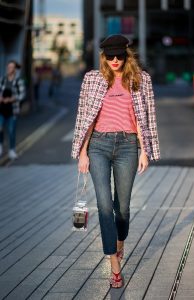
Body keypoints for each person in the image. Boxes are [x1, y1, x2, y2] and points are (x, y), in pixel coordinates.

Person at [71, 34, 160, 288]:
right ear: (103, 57)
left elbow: (146, 117)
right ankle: (114, 263)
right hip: (98, 145)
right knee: (103, 205)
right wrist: (83, 152)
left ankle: (120, 242)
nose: (114, 60)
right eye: (109, 56)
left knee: (122, 208)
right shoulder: (92, 79)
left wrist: (145, 151)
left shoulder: (140, 80)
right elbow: (84, 116)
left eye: (118, 56)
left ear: (126, 55)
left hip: (128, 146)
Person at [0, 60, 26, 159]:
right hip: (1, 109)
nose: (9, 69)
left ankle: (12, 150)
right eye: (8, 67)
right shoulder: (2, 80)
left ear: (15, 69)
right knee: (0, 128)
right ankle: (0, 146)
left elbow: (22, 95)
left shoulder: (18, 81)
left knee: (11, 131)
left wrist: (12, 99)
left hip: (12, 110)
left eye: (11, 67)